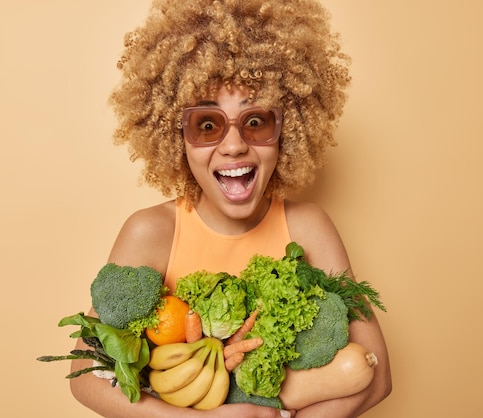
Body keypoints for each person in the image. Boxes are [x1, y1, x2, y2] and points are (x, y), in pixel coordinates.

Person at [69, 0, 392, 417]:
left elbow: (376, 376)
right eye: (207, 124)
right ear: (175, 137)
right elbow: (85, 373)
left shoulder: (308, 228)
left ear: (287, 131)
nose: (235, 144)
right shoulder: (150, 233)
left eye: (256, 121)